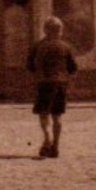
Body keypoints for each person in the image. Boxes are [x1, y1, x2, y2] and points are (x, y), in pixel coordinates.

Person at [26, 16, 77, 158]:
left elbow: (30, 66)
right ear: (60, 31)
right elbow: (72, 69)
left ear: (45, 30)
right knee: (57, 116)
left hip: (44, 83)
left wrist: (36, 77)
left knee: (43, 114)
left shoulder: (37, 46)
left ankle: (47, 139)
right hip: (60, 83)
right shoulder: (66, 47)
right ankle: (56, 145)